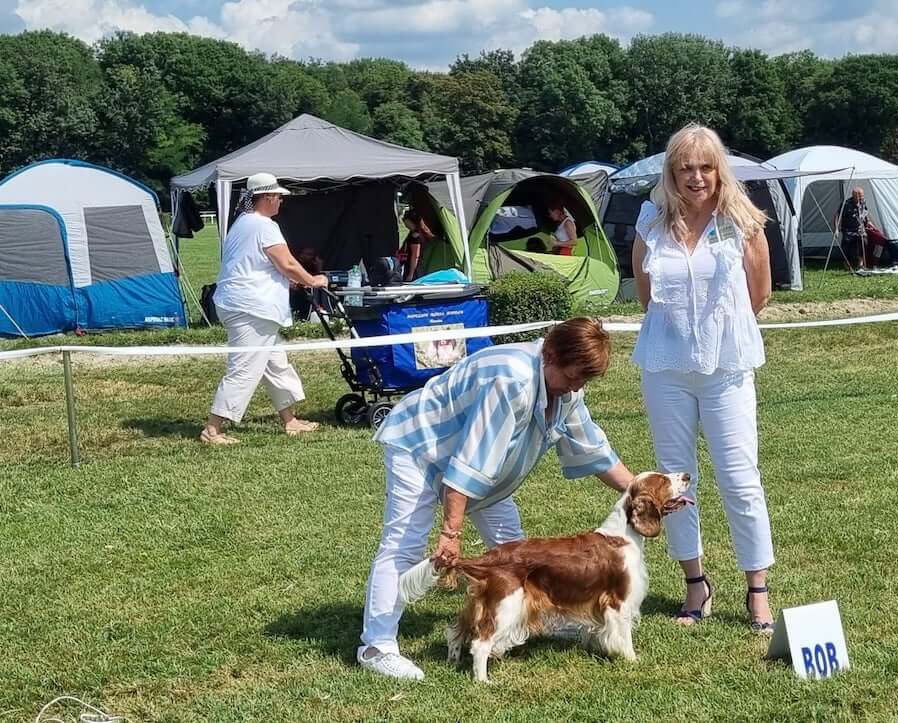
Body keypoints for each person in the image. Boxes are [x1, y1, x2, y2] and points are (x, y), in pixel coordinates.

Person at [357, 318, 649, 681]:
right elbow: (470, 462)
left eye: (583, 381)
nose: (576, 387)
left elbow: (594, 451)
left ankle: (538, 616)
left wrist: (642, 491)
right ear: (551, 355)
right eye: (573, 377)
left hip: (486, 470)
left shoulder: (567, 391)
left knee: (513, 549)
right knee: (404, 544)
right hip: (421, 447)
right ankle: (377, 646)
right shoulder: (511, 379)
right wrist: (451, 532)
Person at [631, 124, 777, 635]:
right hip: (666, 369)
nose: (696, 177)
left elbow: (760, 294)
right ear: (672, 173)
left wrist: (718, 332)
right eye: (685, 168)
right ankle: (696, 583)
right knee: (673, 479)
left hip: (727, 369)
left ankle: (757, 589)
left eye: (705, 167)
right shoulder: (650, 222)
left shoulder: (743, 223)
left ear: (720, 170)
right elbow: (646, 296)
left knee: (740, 479)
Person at [199, 173, 329, 445]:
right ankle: (212, 429)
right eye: (278, 196)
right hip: (251, 308)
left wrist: (290, 281)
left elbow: (257, 265)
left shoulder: (242, 224)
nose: (281, 201)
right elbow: (288, 264)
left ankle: (290, 420)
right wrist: (313, 280)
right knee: (244, 368)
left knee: (275, 363)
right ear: (268, 197)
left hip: (243, 305)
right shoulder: (264, 225)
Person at [838, 187, 870, 270]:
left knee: (864, 241)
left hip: (859, 229)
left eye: (862, 196)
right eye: (859, 196)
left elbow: (865, 214)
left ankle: (860, 263)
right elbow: (837, 216)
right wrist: (836, 229)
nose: (861, 198)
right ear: (854, 196)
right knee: (846, 244)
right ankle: (846, 263)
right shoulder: (846, 204)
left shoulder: (863, 202)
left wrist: (868, 223)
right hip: (848, 229)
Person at [399, 208, 435, 282]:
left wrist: (411, 274)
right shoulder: (421, 233)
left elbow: (415, 256)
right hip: (418, 266)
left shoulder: (415, 236)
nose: (405, 224)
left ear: (412, 222)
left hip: (414, 268)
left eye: (406, 222)